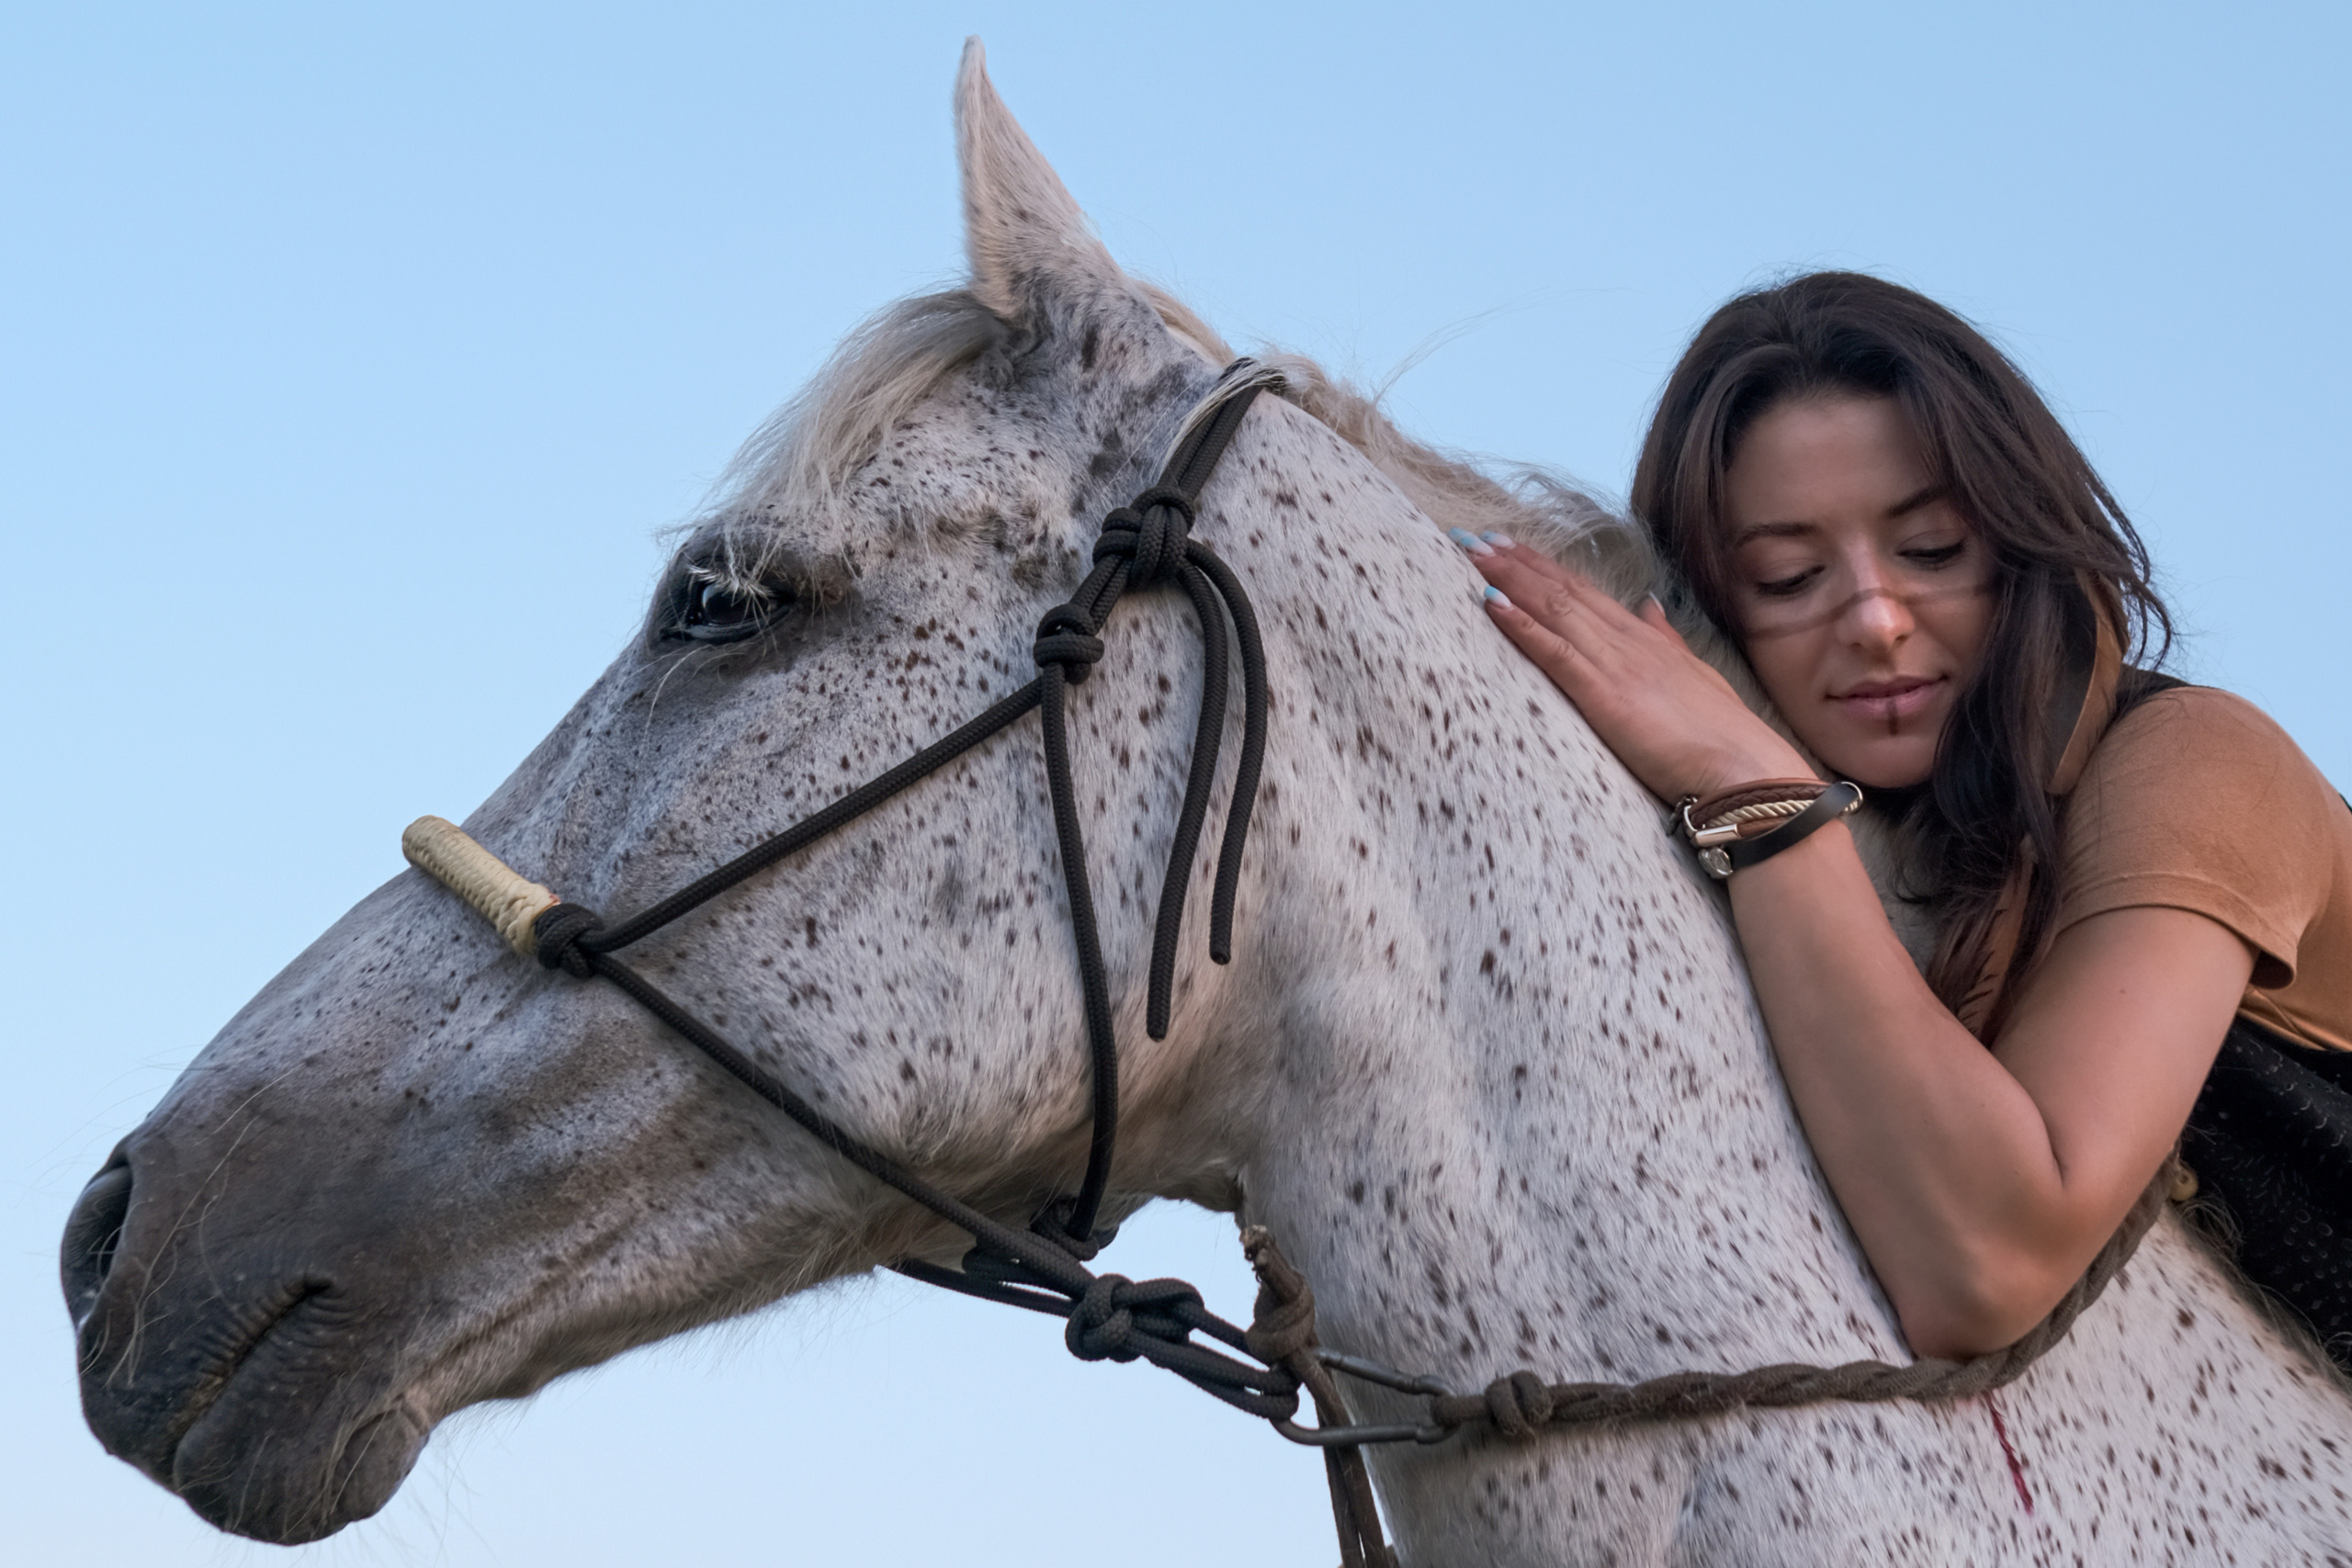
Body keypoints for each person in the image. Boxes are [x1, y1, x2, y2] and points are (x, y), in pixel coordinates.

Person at [1452, 272, 2352, 1362]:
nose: (1876, 620)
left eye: (1930, 552)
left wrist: (1759, 796)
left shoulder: (2199, 761)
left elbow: (1987, 1266)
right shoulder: (1859, 829)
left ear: (2018, 550)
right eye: (1787, 577)